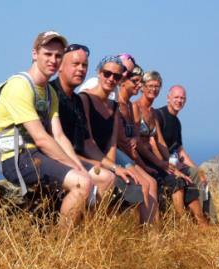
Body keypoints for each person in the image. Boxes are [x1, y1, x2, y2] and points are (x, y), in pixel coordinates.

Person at [0, 31, 93, 234]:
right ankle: (62, 247)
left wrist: (77, 164)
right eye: (48, 54)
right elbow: (41, 138)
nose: (53, 60)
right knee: (82, 183)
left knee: (102, 179)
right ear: (34, 54)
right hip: (17, 157)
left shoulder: (49, 92)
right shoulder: (19, 86)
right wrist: (76, 167)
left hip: (38, 156)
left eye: (58, 56)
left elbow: (59, 136)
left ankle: (89, 235)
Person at [79, 55, 158, 224]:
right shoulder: (86, 96)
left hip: (106, 156)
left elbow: (112, 142)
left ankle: (149, 237)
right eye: (107, 74)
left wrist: (114, 166)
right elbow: (88, 141)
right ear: (99, 73)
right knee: (126, 182)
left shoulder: (114, 104)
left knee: (142, 183)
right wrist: (112, 167)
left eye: (118, 75)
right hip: (89, 155)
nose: (112, 78)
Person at [133, 71, 209, 227]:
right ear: (142, 87)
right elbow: (139, 143)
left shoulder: (152, 112)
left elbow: (158, 140)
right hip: (142, 160)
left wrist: (170, 164)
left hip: (155, 160)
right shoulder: (136, 107)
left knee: (185, 179)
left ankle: (202, 222)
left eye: (157, 86)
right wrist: (162, 164)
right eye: (150, 86)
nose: (154, 89)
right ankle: (182, 224)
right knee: (176, 181)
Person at [50, 44, 115, 200]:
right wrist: (88, 162)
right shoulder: (50, 94)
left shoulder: (77, 101)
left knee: (111, 175)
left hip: (77, 158)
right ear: (60, 67)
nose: (81, 69)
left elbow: (87, 143)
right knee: (105, 178)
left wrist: (114, 167)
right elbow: (53, 142)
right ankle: (85, 224)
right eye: (75, 64)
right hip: (56, 158)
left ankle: (91, 223)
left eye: (84, 65)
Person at [156, 85, 218, 224]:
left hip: (173, 162)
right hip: (162, 164)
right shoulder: (159, 115)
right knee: (188, 179)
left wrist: (198, 170)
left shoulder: (176, 122)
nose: (179, 100)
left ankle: (210, 219)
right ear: (168, 98)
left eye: (182, 98)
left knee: (200, 178)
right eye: (176, 97)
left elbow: (180, 150)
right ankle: (195, 221)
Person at [116, 64, 160, 220]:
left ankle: (153, 233)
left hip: (128, 155)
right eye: (135, 81)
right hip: (117, 153)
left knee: (152, 183)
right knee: (146, 184)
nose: (139, 85)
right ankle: (147, 232)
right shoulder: (117, 104)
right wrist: (143, 165)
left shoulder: (129, 105)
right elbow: (123, 142)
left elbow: (135, 141)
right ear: (123, 82)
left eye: (140, 81)